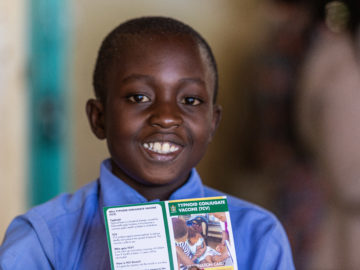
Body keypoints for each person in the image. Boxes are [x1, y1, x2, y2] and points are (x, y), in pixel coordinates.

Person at [0, 16, 295, 269]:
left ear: (212, 122)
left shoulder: (258, 236)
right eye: (139, 97)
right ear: (99, 118)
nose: (166, 118)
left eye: (190, 100)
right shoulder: (43, 238)